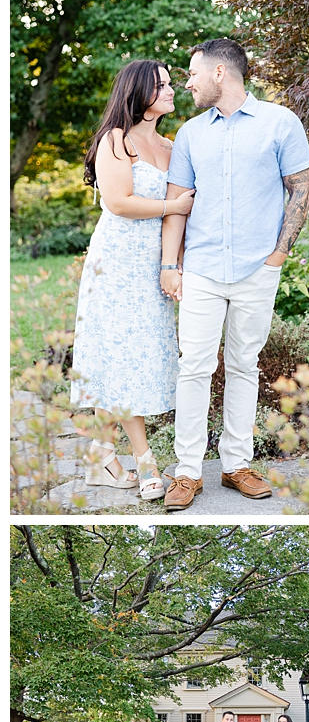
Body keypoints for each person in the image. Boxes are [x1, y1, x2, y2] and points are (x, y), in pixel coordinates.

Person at [161, 37, 309, 511]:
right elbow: (178, 206)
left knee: (246, 366)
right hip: (203, 269)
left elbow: (301, 191)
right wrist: (171, 264)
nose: (188, 83)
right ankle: (187, 472)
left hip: (256, 268)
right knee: (194, 368)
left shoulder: (280, 123)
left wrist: (278, 256)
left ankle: (236, 465)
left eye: (192, 74)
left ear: (220, 74)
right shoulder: (189, 134)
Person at [71, 60, 194, 501]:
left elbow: (182, 211)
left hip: (154, 264)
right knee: (123, 356)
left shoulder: (172, 145)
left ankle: (101, 456)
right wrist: (173, 207)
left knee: (129, 356)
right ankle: (146, 462)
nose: (171, 90)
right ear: (138, 92)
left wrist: (173, 262)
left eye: (171, 83)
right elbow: (119, 202)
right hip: (117, 263)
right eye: (161, 85)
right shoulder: (115, 141)